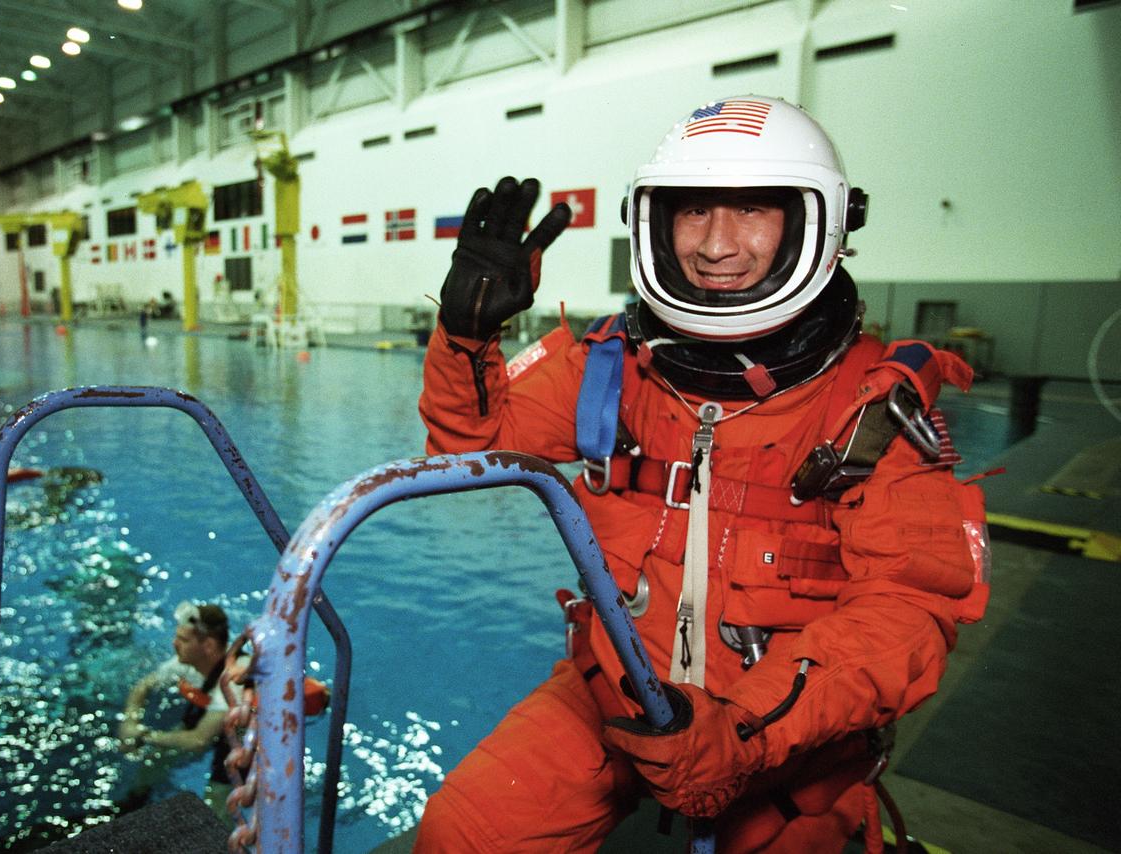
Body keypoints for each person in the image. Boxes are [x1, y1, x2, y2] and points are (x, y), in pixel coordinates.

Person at [415, 96, 990, 852]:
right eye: (692, 213)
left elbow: (905, 615)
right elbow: (466, 447)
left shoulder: (870, 409)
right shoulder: (610, 370)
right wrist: (467, 335)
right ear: (654, 224)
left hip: (784, 742)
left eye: (752, 209)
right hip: (616, 696)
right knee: (461, 834)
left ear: (820, 224)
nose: (717, 245)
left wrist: (743, 731)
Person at [117, 601, 243, 818]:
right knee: (154, 762)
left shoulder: (232, 684)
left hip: (240, 740)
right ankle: (132, 808)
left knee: (217, 808)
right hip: (207, 716)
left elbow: (198, 741)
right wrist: (130, 720)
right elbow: (143, 686)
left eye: (183, 640)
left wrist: (144, 735)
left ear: (209, 646)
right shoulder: (189, 661)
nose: (174, 644)